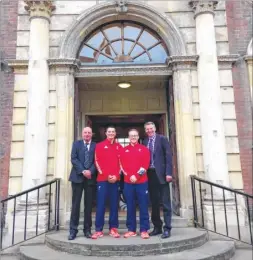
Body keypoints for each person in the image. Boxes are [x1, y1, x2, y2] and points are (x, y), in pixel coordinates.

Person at [143, 122, 173, 239]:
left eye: (151, 128)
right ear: (145, 130)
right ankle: (157, 227)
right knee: (154, 203)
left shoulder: (162, 139)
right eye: (147, 129)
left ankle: (167, 228)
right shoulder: (145, 141)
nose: (149, 130)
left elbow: (168, 156)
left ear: (155, 129)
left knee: (165, 203)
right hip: (150, 175)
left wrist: (169, 173)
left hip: (162, 175)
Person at [92, 126, 122, 239]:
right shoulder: (99, 146)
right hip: (102, 180)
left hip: (115, 180)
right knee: (101, 205)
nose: (111, 133)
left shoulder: (119, 146)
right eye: (109, 131)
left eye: (113, 132)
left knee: (114, 205)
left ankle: (113, 229)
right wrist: (106, 175)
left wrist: (116, 176)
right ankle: (98, 230)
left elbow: (122, 163)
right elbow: (96, 161)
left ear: (115, 133)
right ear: (105, 133)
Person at [120, 129, 150, 239]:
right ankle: (131, 229)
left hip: (142, 182)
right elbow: (122, 166)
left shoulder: (144, 149)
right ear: (128, 137)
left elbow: (145, 165)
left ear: (138, 137)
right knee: (130, 207)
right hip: (128, 183)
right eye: (131, 135)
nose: (133, 137)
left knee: (143, 206)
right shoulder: (124, 150)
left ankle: (144, 230)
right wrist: (129, 176)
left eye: (135, 135)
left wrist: (136, 176)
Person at [68, 127, 96, 240]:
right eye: (85, 132)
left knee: (88, 206)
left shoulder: (95, 145)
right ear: (82, 134)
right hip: (77, 177)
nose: (87, 134)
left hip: (90, 178)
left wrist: (91, 171)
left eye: (89, 132)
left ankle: (87, 230)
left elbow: (97, 160)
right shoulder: (76, 144)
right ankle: (73, 231)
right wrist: (83, 171)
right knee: (75, 205)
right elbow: (73, 159)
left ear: (91, 134)